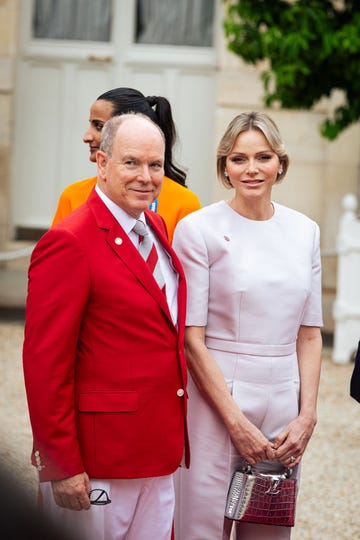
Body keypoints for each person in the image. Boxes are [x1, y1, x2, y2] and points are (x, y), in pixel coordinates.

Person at [23, 113, 189, 540]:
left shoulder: (155, 227)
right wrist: (61, 464)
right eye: (131, 163)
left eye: (156, 165)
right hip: (99, 461)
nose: (147, 176)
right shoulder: (69, 240)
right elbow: (45, 364)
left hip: (155, 454)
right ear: (101, 163)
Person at [172, 111, 323, 540]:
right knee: (202, 527)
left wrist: (307, 414)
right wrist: (234, 421)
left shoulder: (304, 231)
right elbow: (191, 339)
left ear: (281, 163)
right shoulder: (197, 229)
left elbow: (309, 333)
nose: (251, 169)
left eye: (263, 157)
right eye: (238, 159)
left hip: (283, 400)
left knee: (268, 530)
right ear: (224, 167)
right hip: (215, 399)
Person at [52, 87, 201, 242]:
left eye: (99, 126)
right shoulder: (73, 196)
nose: (87, 136)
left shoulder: (183, 203)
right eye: (130, 163)